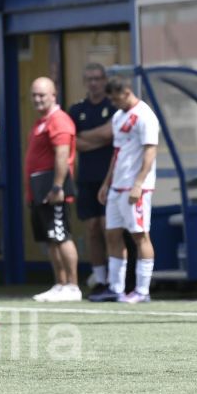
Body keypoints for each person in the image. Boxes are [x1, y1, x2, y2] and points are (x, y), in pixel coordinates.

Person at [90, 75, 159, 303]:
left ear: (127, 92)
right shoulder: (119, 116)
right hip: (117, 187)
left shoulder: (145, 115)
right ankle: (116, 288)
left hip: (135, 187)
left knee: (140, 235)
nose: (114, 104)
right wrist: (107, 182)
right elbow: (117, 152)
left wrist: (139, 183)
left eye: (116, 99)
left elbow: (150, 151)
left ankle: (142, 290)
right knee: (112, 234)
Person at [26, 77, 82, 302]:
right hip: (40, 190)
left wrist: (58, 186)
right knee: (51, 238)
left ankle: (73, 285)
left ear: (53, 95)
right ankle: (60, 284)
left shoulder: (59, 120)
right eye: (34, 95)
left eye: (42, 95)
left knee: (61, 236)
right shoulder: (42, 121)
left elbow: (62, 155)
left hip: (53, 190)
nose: (37, 99)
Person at [70, 63, 114, 295]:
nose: (94, 83)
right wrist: (101, 137)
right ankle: (99, 278)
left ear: (104, 80)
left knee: (110, 229)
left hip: (110, 177)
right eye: (90, 79)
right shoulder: (77, 109)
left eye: (98, 78)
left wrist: (87, 137)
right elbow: (72, 141)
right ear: (85, 82)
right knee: (92, 228)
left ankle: (116, 278)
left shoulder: (113, 106)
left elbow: (112, 134)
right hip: (86, 178)